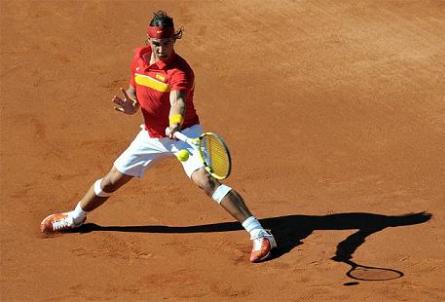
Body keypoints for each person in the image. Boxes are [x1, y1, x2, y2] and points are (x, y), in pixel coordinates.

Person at [40, 10, 277, 263]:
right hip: (152, 135)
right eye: (156, 43)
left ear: (174, 40)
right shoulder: (139, 58)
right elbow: (134, 91)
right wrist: (132, 105)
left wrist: (175, 123)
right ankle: (74, 219)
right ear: (148, 40)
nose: (162, 49)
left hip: (184, 133)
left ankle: (260, 234)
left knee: (206, 181)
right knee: (111, 181)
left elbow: (179, 103)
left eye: (166, 43)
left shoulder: (180, 71)